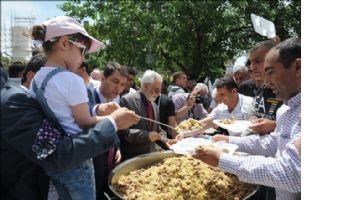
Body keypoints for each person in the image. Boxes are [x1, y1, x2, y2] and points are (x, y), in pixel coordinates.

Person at [1, 67, 140, 200]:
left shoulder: (37, 96)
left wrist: (95, 111)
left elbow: (67, 117)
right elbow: (57, 153)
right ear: (35, 78)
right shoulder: (15, 101)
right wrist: (112, 123)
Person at [193, 38, 301, 200]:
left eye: (270, 72)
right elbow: (272, 144)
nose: (267, 81)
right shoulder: (285, 109)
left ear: (298, 67)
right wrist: (228, 140)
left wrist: (222, 159)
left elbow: (292, 173)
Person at [28, 16, 121, 200]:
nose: (83, 58)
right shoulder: (72, 80)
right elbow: (85, 123)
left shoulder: (38, 78)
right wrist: (115, 118)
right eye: (82, 50)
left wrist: (97, 110)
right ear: (64, 43)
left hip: (53, 157)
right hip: (76, 158)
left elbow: (64, 113)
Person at [91, 61, 129, 200]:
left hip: (109, 162)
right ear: (102, 78)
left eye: (122, 84)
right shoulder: (87, 98)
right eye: (115, 81)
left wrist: (117, 146)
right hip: (92, 163)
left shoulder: (115, 101)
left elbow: (114, 127)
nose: (118, 88)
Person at [176, 78, 254, 139]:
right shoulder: (221, 108)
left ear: (234, 91)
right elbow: (205, 123)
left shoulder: (250, 104)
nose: (219, 98)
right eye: (218, 94)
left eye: (222, 94)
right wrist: (184, 133)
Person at [119, 70, 166, 161]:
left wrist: (166, 139)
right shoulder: (127, 100)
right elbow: (123, 132)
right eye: (156, 90)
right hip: (132, 158)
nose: (158, 94)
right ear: (145, 86)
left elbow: (157, 129)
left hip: (151, 156)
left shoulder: (155, 106)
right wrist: (147, 136)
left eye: (160, 90)